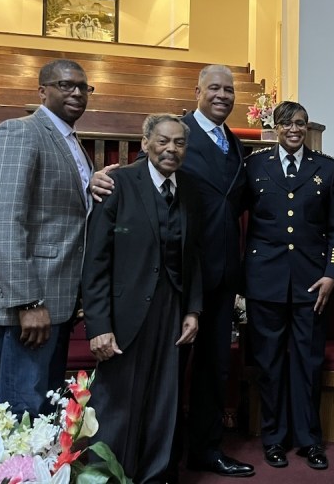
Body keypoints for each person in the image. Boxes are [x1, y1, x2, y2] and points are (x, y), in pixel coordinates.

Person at [90, 64, 253, 478]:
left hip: (206, 282)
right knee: (139, 387)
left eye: (229, 89)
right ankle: (124, 467)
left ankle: (192, 454)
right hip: (148, 290)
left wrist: (196, 305)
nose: (222, 95)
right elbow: (98, 257)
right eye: (213, 88)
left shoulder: (234, 145)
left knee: (198, 376)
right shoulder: (155, 155)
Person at [0, 59, 93, 418]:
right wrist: (28, 302)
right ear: (42, 90)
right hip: (27, 303)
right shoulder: (19, 132)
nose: (76, 92)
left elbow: (60, 212)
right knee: (21, 410)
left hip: (56, 298)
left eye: (83, 87)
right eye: (65, 85)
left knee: (45, 408)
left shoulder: (70, 141)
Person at [82, 114, 203, 484]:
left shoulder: (190, 189)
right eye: (164, 141)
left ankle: (156, 474)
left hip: (171, 310)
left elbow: (193, 255)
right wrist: (99, 326)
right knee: (117, 403)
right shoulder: (116, 183)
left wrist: (193, 310)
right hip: (125, 313)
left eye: (179, 143)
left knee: (164, 400)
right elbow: (96, 260)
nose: (171, 149)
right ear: (146, 142)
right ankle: (105, 475)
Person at [243, 101, 334, 471]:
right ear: (275, 126)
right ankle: (273, 439)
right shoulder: (254, 166)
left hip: (311, 284)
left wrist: (332, 274)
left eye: (300, 123)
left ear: (308, 128)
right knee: (268, 364)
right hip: (264, 282)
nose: (294, 129)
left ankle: (309, 440)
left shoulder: (327, 168)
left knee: (308, 363)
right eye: (287, 123)